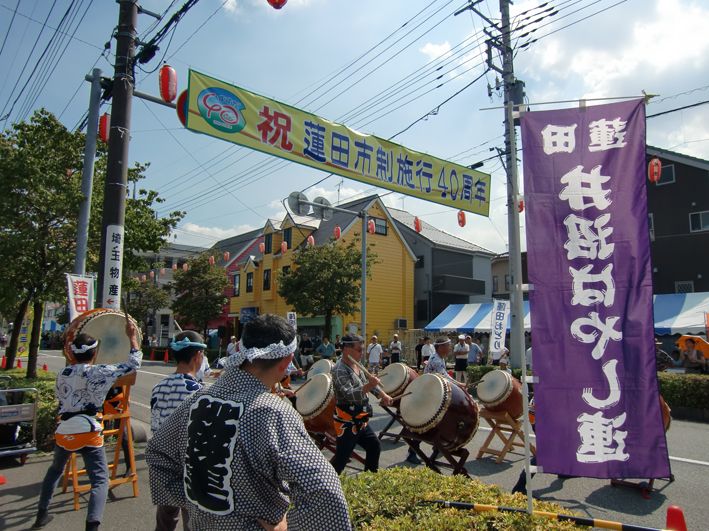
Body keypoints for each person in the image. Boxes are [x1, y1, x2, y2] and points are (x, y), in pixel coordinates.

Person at [146, 314, 351, 531]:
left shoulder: (197, 399)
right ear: (287, 361)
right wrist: (288, 527)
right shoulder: (272, 411)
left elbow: (157, 454)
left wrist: (192, 498)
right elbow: (327, 493)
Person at [33, 323, 142, 531]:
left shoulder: (63, 373)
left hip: (64, 431)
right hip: (89, 432)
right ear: (94, 354)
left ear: (72, 354)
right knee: (100, 481)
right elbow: (133, 363)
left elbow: (62, 395)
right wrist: (132, 338)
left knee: (55, 470)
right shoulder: (100, 372)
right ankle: (91, 527)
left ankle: (41, 515)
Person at [150, 331, 207, 531]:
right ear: (197, 356)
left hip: (162, 463)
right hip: (190, 465)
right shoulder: (199, 391)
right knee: (192, 520)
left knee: (165, 520)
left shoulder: (158, 387)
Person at [332, 333, 394, 474]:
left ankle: (370, 481)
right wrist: (370, 385)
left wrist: (383, 395)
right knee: (341, 461)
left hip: (360, 419)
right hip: (347, 422)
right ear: (346, 349)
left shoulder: (356, 364)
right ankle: (326, 490)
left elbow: (368, 382)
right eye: (359, 350)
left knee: (374, 446)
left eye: (362, 349)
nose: (362, 353)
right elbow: (350, 395)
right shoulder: (339, 369)